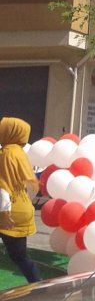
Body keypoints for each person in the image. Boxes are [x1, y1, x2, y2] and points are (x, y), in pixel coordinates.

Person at [0, 117, 41, 283]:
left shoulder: (6, 154)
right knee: (21, 256)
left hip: (9, 211)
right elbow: (30, 186)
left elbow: (3, 186)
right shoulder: (20, 153)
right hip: (23, 208)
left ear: (9, 132)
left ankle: (37, 284)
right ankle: (38, 285)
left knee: (20, 256)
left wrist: (4, 214)